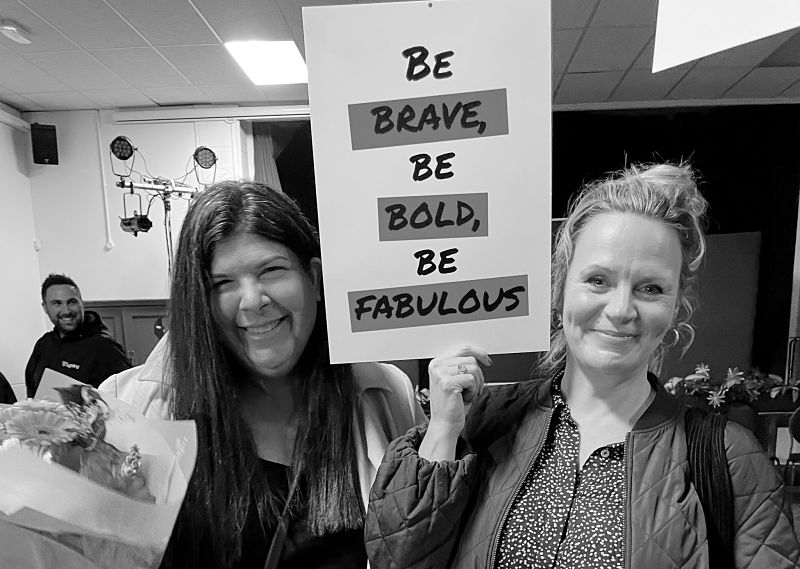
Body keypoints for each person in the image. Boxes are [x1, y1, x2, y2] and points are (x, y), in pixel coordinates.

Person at [366, 163, 800, 568]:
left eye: (650, 288)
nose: (621, 309)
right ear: (560, 290)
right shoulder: (484, 423)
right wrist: (443, 428)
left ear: (675, 308)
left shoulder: (727, 458)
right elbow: (398, 558)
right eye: (598, 280)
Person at [100, 180, 425, 569]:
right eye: (222, 283)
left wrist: (451, 432)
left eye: (271, 270)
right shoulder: (129, 406)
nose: (253, 301)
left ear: (315, 278)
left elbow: (423, 539)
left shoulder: (385, 394)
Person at [25, 274, 131, 397]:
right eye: (57, 303)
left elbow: (130, 395)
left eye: (72, 302)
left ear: (82, 303)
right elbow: (32, 393)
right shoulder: (43, 345)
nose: (66, 311)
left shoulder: (104, 347)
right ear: (45, 307)